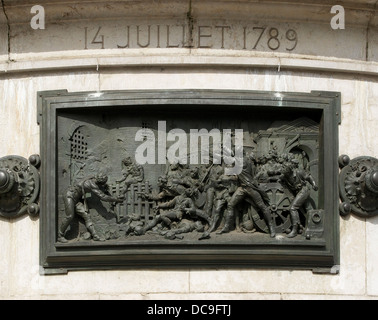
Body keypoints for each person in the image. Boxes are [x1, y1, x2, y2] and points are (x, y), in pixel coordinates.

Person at [218, 151, 276, 238]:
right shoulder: (246, 162)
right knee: (230, 204)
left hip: (250, 187)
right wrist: (229, 179)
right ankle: (226, 227)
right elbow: (238, 176)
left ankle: (271, 228)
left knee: (262, 206)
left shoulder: (243, 161)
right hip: (242, 188)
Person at [58, 172, 124, 243]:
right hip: (69, 195)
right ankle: (60, 235)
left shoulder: (92, 176)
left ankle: (95, 236)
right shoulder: (92, 184)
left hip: (76, 200)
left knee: (86, 215)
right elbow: (103, 197)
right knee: (70, 216)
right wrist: (116, 199)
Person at [279, 159, 318, 238]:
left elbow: (309, 177)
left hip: (303, 191)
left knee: (293, 208)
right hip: (297, 192)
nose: (282, 169)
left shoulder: (299, 172)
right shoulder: (284, 176)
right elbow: (280, 181)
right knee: (308, 209)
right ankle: (311, 227)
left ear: (289, 169)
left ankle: (295, 230)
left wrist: (314, 184)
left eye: (284, 168)